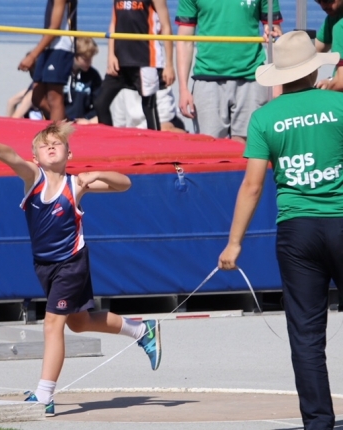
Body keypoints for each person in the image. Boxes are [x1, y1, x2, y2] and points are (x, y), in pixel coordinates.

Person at [0, 122, 161, 416]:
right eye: (44, 145)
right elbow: (9, 156)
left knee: (53, 324)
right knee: (78, 322)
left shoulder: (76, 184)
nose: (51, 147)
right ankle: (142, 330)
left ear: (69, 153)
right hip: (44, 266)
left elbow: (124, 184)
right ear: (36, 157)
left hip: (71, 263)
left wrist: (97, 173)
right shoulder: (33, 178)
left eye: (57, 143)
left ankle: (44, 395)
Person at [218, 31, 343, 430]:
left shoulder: (265, 118)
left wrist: (234, 243)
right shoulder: (339, 106)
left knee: (306, 335)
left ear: (279, 75)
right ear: (314, 68)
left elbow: (252, 185)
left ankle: (319, 423)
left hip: (297, 230)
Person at [175, 0, 282, 142]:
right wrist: (183, 89)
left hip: (252, 78)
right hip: (207, 79)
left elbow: (275, 33)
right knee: (210, 152)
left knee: (249, 151)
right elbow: (184, 40)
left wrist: (278, 82)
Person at [94, 0, 174, 131]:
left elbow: (166, 27)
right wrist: (111, 55)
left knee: (148, 106)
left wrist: (169, 64)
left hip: (145, 59)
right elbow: (114, 23)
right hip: (120, 60)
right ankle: (108, 141)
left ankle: (155, 144)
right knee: (100, 103)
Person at [18, 0, 76, 123]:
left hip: (61, 47)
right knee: (37, 97)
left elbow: (55, 27)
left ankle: (57, 136)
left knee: (54, 97)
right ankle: (66, 125)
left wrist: (33, 55)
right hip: (50, 47)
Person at [111, 87, 187, 133]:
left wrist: (137, 131)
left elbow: (165, 115)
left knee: (164, 128)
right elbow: (118, 122)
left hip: (164, 122)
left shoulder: (159, 75)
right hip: (133, 133)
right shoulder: (121, 85)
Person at [64, 37, 102, 125]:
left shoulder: (93, 76)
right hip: (61, 121)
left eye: (91, 59)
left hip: (82, 122)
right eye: (86, 59)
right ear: (75, 56)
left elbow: (99, 104)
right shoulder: (61, 72)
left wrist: (88, 119)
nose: (90, 63)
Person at [314, 0, 343, 91]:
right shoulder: (334, 17)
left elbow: (341, 82)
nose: (323, 6)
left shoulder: (340, 27)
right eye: (318, 1)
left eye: (327, 0)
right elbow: (312, 50)